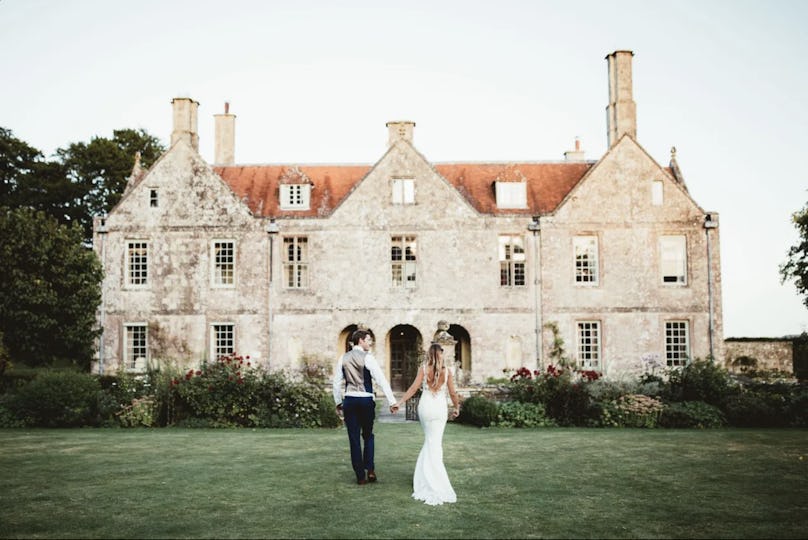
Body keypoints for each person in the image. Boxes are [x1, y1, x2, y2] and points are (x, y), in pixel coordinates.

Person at [392, 343, 461, 505]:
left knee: (430, 441)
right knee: (434, 443)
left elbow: (413, 388)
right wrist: (457, 407)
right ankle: (434, 480)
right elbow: (452, 392)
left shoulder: (423, 369)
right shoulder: (448, 371)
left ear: (429, 355)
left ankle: (424, 477)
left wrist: (400, 402)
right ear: (441, 355)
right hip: (439, 409)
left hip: (425, 407)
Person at [332, 329, 397, 485]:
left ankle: (360, 476)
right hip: (366, 400)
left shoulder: (343, 358)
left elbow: (336, 383)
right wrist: (392, 401)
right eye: (368, 340)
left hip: (350, 400)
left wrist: (338, 402)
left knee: (353, 439)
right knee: (368, 435)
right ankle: (371, 469)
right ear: (360, 340)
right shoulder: (368, 358)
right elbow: (381, 379)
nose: (370, 343)